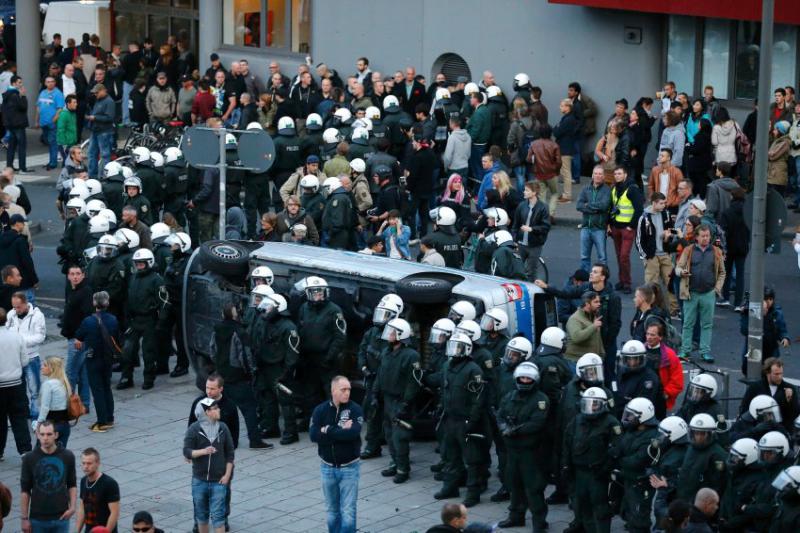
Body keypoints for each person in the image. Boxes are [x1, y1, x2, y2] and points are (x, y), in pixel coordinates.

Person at [495, 362, 550, 532]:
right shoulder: (510, 396)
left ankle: (539, 522)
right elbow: (500, 414)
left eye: (528, 378)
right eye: (522, 378)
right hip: (512, 451)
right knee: (514, 484)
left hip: (531, 452)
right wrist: (504, 426)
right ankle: (516, 516)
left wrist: (515, 431)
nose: (525, 381)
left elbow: (537, 423)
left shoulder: (540, 399)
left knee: (533, 488)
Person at [561, 387, 622, 533]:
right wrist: (565, 465)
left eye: (595, 404)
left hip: (598, 474)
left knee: (601, 508)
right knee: (583, 505)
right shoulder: (578, 420)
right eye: (587, 404)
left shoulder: (611, 423)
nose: (591, 407)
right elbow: (567, 443)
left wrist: (605, 469)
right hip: (579, 472)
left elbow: (617, 449)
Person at [309, 376, 363, 533]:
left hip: (349, 468)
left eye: (349, 390)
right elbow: (313, 435)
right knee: (332, 511)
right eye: (343, 389)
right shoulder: (320, 410)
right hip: (327, 468)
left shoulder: (355, 409)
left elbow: (353, 434)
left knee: (348, 511)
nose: (347, 393)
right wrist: (339, 431)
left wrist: (327, 430)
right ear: (333, 391)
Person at [373, 317, 420, 484]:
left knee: (400, 437)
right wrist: (375, 393)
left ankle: (403, 469)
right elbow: (380, 374)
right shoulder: (387, 352)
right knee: (389, 434)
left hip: (400, 401)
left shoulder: (411, 356)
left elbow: (413, 383)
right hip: (387, 399)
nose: (389, 335)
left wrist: (406, 404)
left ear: (400, 335)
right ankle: (394, 463)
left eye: (392, 332)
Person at [183, 398, 235, 533]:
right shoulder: (194, 429)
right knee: (201, 517)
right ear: (207, 413)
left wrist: (227, 475)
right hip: (199, 481)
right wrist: (203, 451)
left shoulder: (223, 428)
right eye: (215, 408)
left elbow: (230, 453)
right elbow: (187, 451)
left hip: (219, 481)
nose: (219, 410)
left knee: (218, 518)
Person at [675, 224, 725, 362]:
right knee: (688, 323)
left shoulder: (716, 252)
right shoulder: (688, 250)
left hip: (708, 293)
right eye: (702, 236)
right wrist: (681, 272)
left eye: (707, 236)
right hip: (691, 292)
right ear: (696, 237)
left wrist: (717, 289)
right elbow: (678, 267)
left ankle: (705, 351)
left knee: (707, 324)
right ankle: (685, 351)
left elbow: (722, 272)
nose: (705, 239)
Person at [610, 397, 660, 533]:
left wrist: (618, 460)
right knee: (628, 512)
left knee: (639, 517)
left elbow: (636, 461)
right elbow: (619, 448)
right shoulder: (633, 430)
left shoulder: (652, 437)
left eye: (631, 416)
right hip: (629, 480)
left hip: (641, 483)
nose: (627, 418)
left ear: (642, 418)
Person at [118, 249, 165, 390]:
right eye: (137, 264)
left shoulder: (157, 280)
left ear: (149, 263)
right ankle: (127, 377)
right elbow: (128, 297)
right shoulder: (133, 277)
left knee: (148, 352)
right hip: (134, 320)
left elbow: (164, 302)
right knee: (127, 350)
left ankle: (149, 378)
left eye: (141, 264)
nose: (138, 266)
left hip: (149, 320)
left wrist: (160, 322)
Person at [20, 421, 77, 533]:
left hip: (62, 517)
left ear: (56, 435)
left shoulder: (67, 456)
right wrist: (24, 518)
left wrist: (73, 507)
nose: (45, 438)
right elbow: (25, 491)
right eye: (42, 434)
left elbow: (72, 484)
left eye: (49, 434)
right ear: (37, 435)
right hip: (37, 519)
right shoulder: (29, 459)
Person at [74, 291, 119, 432]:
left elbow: (78, 338)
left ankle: (102, 421)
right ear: (107, 303)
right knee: (107, 388)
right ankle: (110, 418)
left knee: (97, 390)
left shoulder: (88, 321)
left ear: (94, 303)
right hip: (108, 359)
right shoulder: (113, 319)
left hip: (93, 359)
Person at [7, 291, 46, 419]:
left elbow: (40, 337)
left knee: (34, 390)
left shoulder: (37, 316)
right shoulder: (11, 315)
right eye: (14, 306)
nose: (15, 310)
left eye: (18, 307)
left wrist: (21, 341)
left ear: (25, 304)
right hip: (15, 359)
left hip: (31, 358)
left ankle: (35, 416)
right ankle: (23, 414)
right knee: (19, 390)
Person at [636, 192, 677, 313]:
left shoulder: (666, 214)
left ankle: (673, 309)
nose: (664, 205)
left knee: (671, 282)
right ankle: (650, 308)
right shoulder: (644, 217)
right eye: (661, 203)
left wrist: (668, 236)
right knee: (651, 285)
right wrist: (646, 256)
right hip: (651, 256)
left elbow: (671, 230)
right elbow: (638, 240)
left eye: (665, 203)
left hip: (665, 253)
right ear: (653, 203)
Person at [0, 306, 32, 457]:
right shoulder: (16, 337)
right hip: (16, 384)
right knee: (19, 418)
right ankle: (25, 450)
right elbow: (25, 360)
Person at [62, 264, 94, 412]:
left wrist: (80, 337)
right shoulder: (71, 289)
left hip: (77, 339)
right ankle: (84, 404)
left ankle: (70, 406)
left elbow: (87, 316)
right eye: (72, 274)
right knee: (82, 372)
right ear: (68, 276)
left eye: (78, 274)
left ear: (82, 275)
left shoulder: (85, 291)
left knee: (70, 373)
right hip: (74, 336)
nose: (75, 276)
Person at [740, 358, 799, 433]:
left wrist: (789, 400)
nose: (780, 377)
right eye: (776, 374)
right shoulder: (755, 387)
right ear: (767, 373)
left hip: (782, 431)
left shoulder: (789, 388)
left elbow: (794, 415)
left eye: (781, 373)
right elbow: (744, 410)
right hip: (759, 430)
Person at [609, 166, 643, 294]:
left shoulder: (632, 189)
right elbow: (611, 207)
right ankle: (622, 281)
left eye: (619, 173)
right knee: (619, 256)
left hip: (627, 229)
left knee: (624, 256)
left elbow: (639, 209)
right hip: (616, 227)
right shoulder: (614, 188)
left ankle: (627, 283)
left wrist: (631, 226)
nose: (617, 176)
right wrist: (610, 224)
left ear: (625, 175)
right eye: (615, 174)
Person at [511, 181, 550, 281]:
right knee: (516, 270)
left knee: (531, 272)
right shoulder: (521, 206)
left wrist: (532, 229)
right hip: (520, 244)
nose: (524, 192)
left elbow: (546, 227)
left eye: (527, 190)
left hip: (534, 245)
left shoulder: (543, 207)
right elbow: (515, 225)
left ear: (534, 192)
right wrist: (514, 240)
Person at [75, 448, 120, 533]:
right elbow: (82, 508)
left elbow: (114, 514)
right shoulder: (83, 481)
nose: (85, 466)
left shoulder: (109, 483)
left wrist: (106, 532)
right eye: (83, 463)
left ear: (98, 463)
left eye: (89, 463)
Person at [576, 165, 611, 272]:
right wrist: (595, 208)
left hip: (599, 229)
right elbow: (578, 205)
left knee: (602, 258)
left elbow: (604, 206)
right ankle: (585, 280)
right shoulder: (585, 189)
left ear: (604, 176)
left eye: (600, 174)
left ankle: (602, 280)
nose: (598, 176)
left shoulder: (607, 190)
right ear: (592, 175)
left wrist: (587, 205)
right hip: (586, 228)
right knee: (584, 257)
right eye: (596, 173)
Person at [35, 356, 72, 447]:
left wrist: (38, 425)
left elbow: (45, 407)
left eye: (45, 365)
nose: (41, 367)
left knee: (39, 455)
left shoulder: (48, 384)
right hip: (65, 425)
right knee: (60, 456)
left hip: (50, 426)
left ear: (52, 368)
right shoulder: (64, 382)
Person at [86, 84, 116, 180]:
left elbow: (110, 118)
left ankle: (103, 176)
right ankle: (92, 176)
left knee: (104, 155)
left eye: (97, 92)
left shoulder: (109, 102)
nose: (95, 94)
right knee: (91, 153)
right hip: (96, 130)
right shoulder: (99, 100)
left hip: (104, 132)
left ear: (103, 91)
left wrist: (95, 117)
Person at [35, 76, 65, 170]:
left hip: (52, 123)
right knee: (50, 142)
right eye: (48, 82)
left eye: (52, 81)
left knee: (53, 142)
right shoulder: (42, 93)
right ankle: (59, 159)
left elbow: (60, 109)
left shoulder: (58, 94)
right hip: (44, 123)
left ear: (55, 83)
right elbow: (38, 108)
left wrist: (53, 121)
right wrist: (36, 121)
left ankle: (53, 163)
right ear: (45, 83)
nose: (50, 83)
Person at [2, 75, 31, 173]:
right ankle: (22, 168)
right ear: (14, 83)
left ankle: (9, 166)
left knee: (11, 146)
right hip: (18, 124)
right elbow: (23, 107)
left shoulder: (6, 94)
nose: (21, 84)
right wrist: (23, 96)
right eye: (19, 82)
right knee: (21, 146)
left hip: (10, 124)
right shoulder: (15, 94)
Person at [647, 148, 683, 217]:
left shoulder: (676, 172)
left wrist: (675, 202)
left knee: (670, 226)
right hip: (658, 204)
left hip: (671, 206)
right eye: (659, 155)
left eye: (662, 156)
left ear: (669, 158)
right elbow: (650, 186)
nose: (659, 157)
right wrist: (653, 198)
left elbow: (681, 189)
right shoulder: (655, 170)